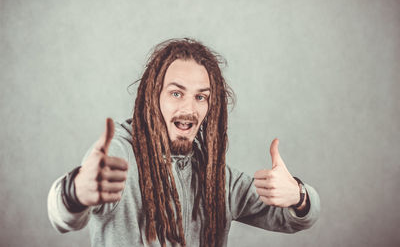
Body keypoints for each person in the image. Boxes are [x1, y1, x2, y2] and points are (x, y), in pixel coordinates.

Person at [47, 38, 320, 247]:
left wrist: (299, 195)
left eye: (201, 97)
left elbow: (294, 219)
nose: (189, 108)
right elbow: (62, 215)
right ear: (153, 97)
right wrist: (74, 190)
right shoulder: (121, 156)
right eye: (176, 93)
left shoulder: (217, 177)